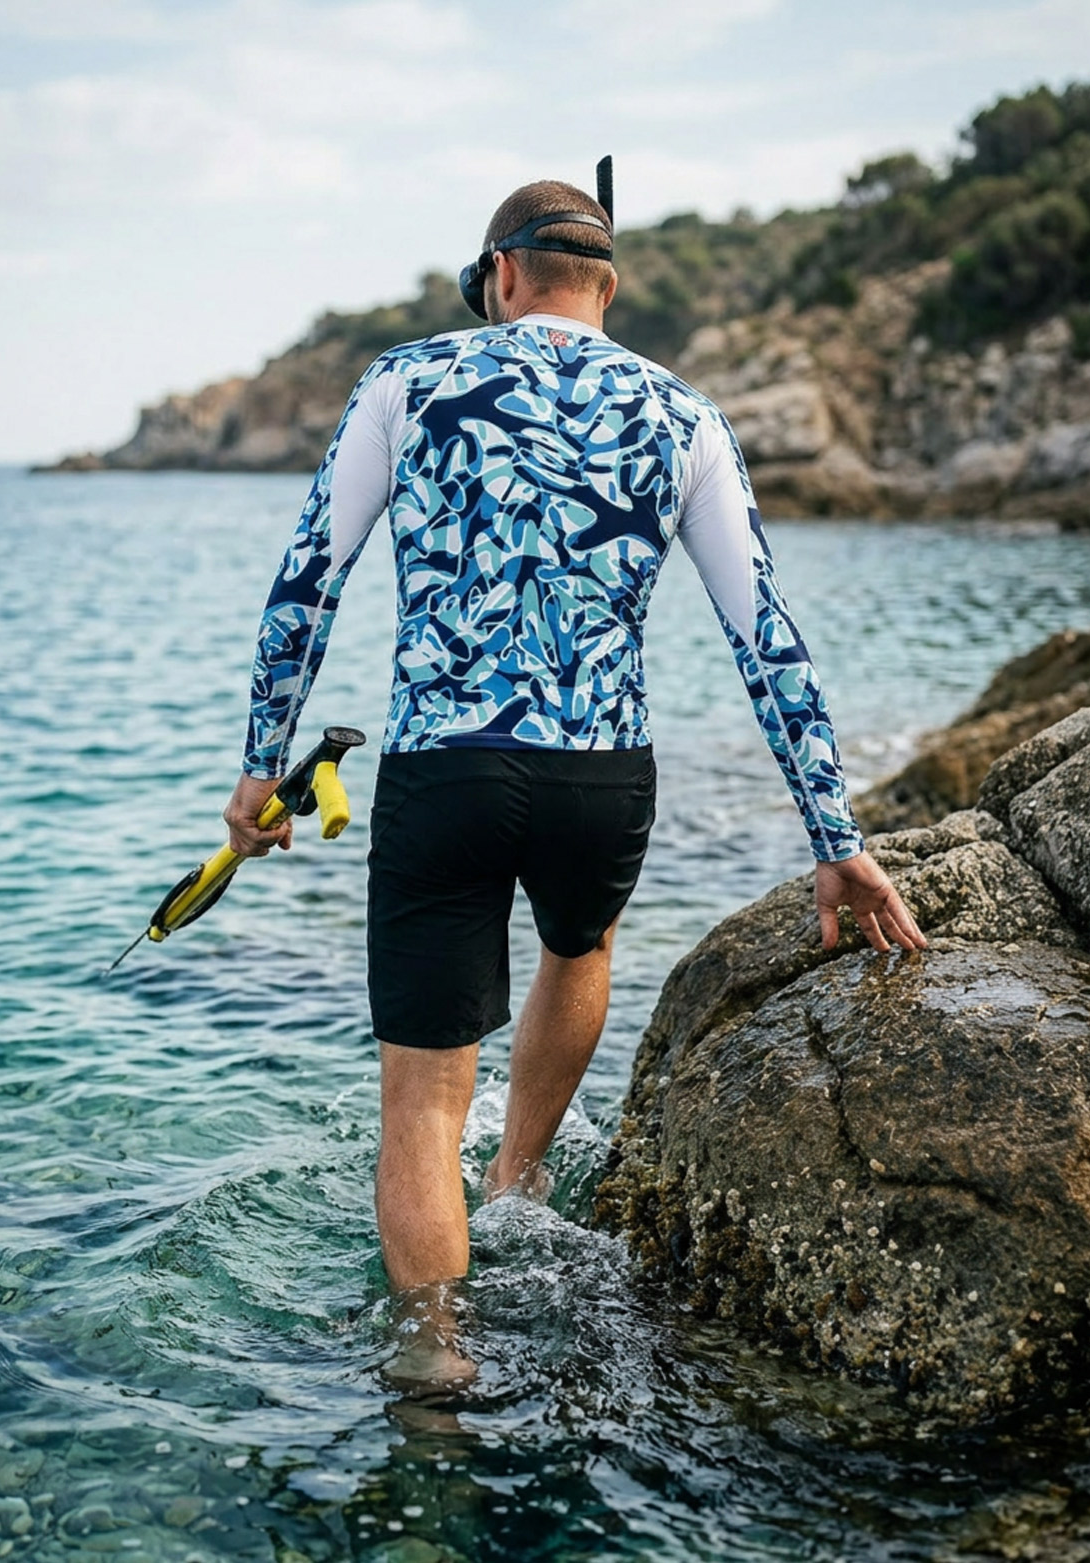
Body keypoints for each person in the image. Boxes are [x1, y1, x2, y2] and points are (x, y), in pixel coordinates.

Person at [222, 175, 926, 1374]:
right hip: (601, 777)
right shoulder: (684, 414)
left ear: (500, 277)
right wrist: (833, 836)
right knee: (576, 948)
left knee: (417, 1112)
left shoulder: (406, 380)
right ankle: (522, 1178)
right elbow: (765, 636)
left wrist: (257, 773)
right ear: (607, 287)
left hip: (447, 772)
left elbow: (307, 585)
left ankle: (435, 1367)